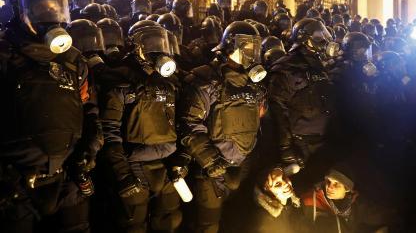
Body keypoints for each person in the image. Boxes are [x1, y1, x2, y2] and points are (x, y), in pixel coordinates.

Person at [0, 0, 103, 231]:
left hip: (67, 180)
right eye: (39, 7)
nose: (49, 14)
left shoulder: (73, 60)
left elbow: (89, 111)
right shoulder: (4, 56)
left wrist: (87, 155)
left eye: (55, 7)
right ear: (16, 10)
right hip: (16, 187)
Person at [178, 21, 267, 233]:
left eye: (255, 48)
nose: (251, 53)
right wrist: (210, 160)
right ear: (229, 46)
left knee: (240, 221)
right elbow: (190, 124)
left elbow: (259, 121)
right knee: (208, 225)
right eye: (245, 47)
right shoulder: (205, 79)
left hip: (244, 165)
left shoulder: (254, 83)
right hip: (212, 170)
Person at [99, 20, 182, 232]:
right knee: (133, 224)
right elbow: (109, 131)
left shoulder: (170, 83)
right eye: (151, 44)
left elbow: (179, 125)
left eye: (161, 44)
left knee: (169, 221)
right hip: (134, 164)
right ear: (137, 47)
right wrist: (122, 173)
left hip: (167, 161)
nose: (157, 51)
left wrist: (181, 160)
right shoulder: (121, 80)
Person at [269, 18, 337, 170]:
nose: (324, 41)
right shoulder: (286, 67)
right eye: (318, 38)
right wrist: (285, 148)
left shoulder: (318, 65)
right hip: (301, 143)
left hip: (323, 138)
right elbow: (278, 111)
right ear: (304, 40)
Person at [301, 165, 389, 233]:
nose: (330, 187)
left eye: (336, 184)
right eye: (328, 181)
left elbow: (385, 217)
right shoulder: (311, 200)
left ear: (346, 189)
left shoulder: (357, 204)